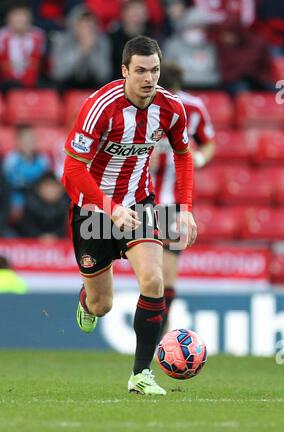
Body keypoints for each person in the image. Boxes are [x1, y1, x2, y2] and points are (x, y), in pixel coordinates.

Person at [62, 35, 197, 396]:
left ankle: (140, 373)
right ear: (124, 71)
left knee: (153, 280)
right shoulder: (99, 107)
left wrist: (184, 208)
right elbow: (71, 171)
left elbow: (184, 154)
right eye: (140, 70)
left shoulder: (171, 108)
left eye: (154, 70)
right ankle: (86, 301)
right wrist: (109, 208)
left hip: (140, 203)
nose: (148, 78)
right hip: (94, 208)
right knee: (102, 305)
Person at [151, 62, 215, 334]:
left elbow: (209, 142)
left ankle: (158, 337)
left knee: (164, 274)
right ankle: (155, 333)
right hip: (142, 200)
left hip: (174, 205)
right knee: (154, 275)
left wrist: (197, 159)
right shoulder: (141, 105)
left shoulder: (193, 107)